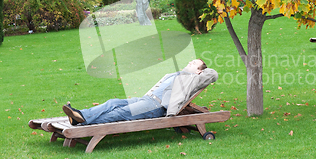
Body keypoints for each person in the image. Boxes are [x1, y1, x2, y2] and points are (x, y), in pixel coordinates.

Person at [63, 59, 217, 125]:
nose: (189, 62)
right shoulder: (177, 74)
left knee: (120, 113)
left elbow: (213, 74)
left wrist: (201, 68)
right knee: (113, 102)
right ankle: (81, 115)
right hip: (147, 100)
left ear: (198, 71)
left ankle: (82, 119)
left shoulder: (193, 79)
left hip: (155, 106)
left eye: (194, 63)